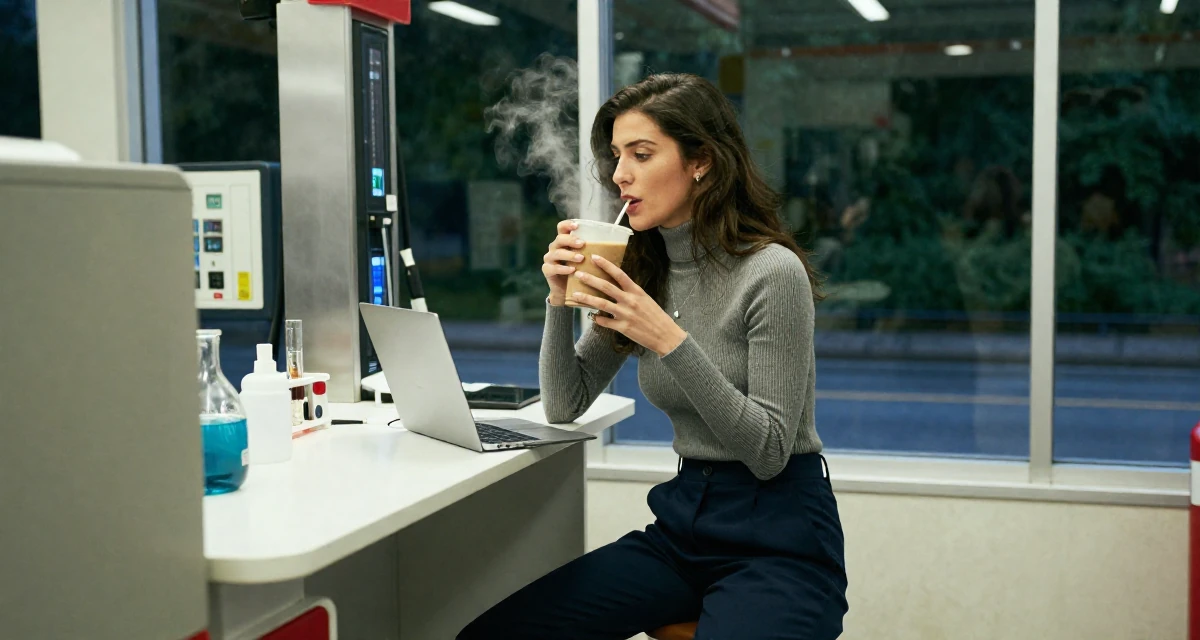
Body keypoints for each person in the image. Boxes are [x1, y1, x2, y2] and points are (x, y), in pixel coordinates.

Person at [458, 73, 848, 640]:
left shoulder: (771, 272)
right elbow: (564, 405)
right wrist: (558, 299)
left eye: (641, 154)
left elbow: (768, 451)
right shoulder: (645, 266)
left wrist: (667, 337)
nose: (620, 175)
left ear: (702, 162)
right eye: (616, 156)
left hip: (780, 536)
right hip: (684, 524)